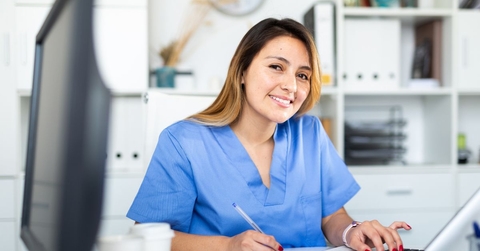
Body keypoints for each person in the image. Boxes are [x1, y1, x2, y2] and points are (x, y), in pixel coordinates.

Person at [127, 17, 411, 251]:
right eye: (276, 67)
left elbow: (332, 215)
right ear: (241, 71)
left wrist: (352, 231)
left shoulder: (310, 133)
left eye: (302, 75)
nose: (291, 86)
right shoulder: (184, 142)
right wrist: (228, 247)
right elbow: (149, 238)